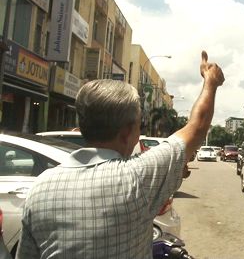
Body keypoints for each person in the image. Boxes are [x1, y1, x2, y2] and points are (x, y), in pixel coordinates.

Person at [16, 51, 225, 259]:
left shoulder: (39, 188)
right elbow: (196, 128)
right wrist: (210, 81)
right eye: (138, 125)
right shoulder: (137, 177)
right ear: (127, 133)